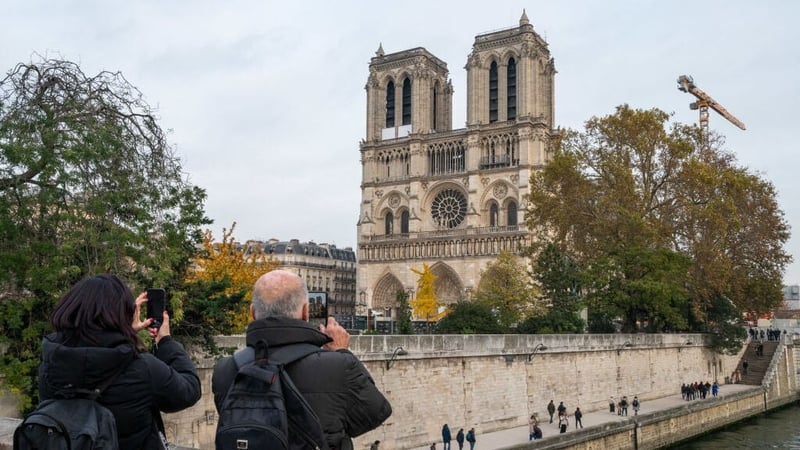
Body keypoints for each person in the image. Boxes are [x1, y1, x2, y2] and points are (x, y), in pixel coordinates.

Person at [212, 270, 392, 449]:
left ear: (252, 312)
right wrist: (342, 352)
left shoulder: (226, 369)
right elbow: (376, 412)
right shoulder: (337, 366)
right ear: (306, 311)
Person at [37, 274, 201, 450]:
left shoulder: (52, 362)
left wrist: (125, 332)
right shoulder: (141, 367)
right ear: (124, 314)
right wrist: (165, 341)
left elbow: (93, 354)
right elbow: (188, 390)